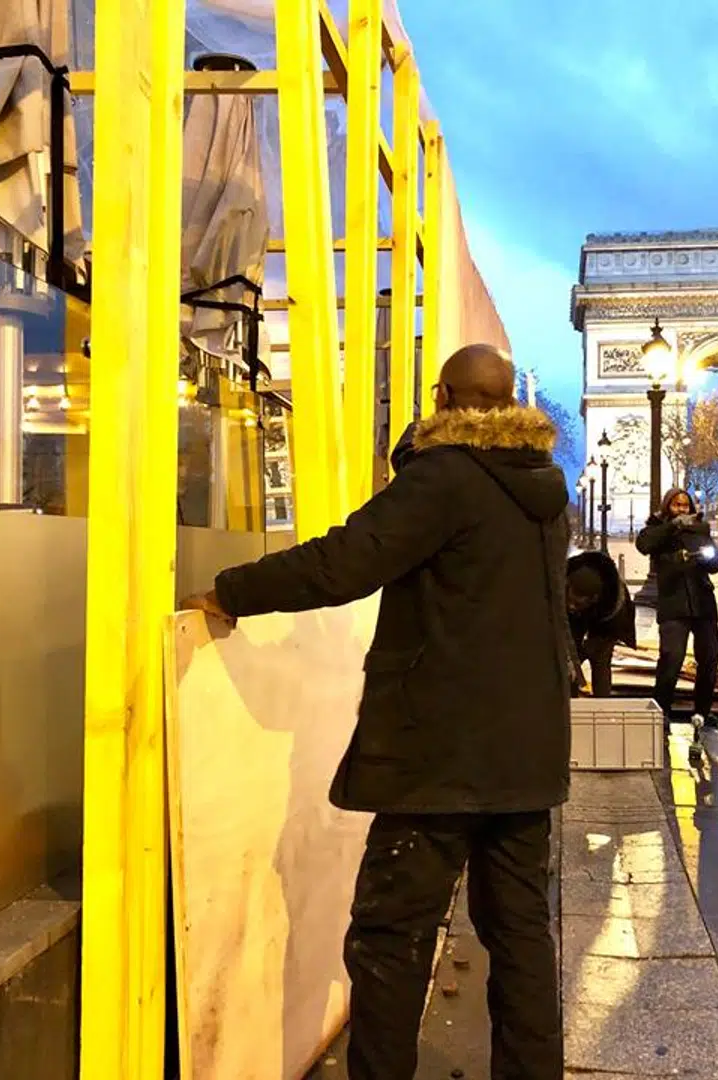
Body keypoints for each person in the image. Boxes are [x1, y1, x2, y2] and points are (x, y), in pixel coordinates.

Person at [183, 344, 569, 1080]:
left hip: (440, 754)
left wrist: (229, 591)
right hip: (527, 754)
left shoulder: (448, 479)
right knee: (520, 934)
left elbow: (345, 561)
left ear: (445, 399)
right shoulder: (542, 487)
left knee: (391, 938)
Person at [635, 488, 718, 733]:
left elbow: (716, 563)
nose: (682, 510)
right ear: (667, 507)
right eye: (677, 505)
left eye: (685, 506)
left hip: (702, 602)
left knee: (709, 658)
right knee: (671, 658)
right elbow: (645, 545)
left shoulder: (700, 530)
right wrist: (673, 527)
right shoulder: (657, 529)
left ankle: (702, 712)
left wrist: (705, 559)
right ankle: (662, 711)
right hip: (674, 603)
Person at [566, 549, 637, 698]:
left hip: (606, 628)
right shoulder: (565, 579)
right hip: (576, 621)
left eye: (577, 603)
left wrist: (583, 652)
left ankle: (602, 709)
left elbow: (608, 636)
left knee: (600, 663)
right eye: (569, 600)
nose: (571, 606)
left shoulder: (615, 603)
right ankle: (569, 708)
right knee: (567, 667)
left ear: (593, 599)